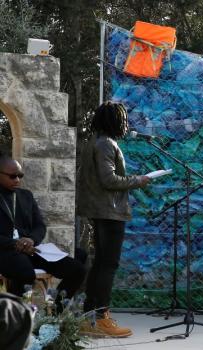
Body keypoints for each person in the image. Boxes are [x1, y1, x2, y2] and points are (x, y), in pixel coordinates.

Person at [77, 101, 150, 337]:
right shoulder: (107, 144)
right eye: (123, 119)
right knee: (108, 265)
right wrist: (137, 180)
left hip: (99, 211)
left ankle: (89, 318)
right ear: (115, 121)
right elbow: (109, 180)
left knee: (100, 263)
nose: (125, 123)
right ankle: (102, 318)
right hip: (109, 212)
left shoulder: (94, 142)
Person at [0, 157, 85, 306]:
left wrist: (31, 239)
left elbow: (40, 226)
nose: (17, 180)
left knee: (77, 269)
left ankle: (54, 315)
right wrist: (15, 243)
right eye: (13, 176)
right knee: (24, 271)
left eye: (20, 175)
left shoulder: (25, 195)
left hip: (31, 249)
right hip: (5, 251)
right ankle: (17, 317)